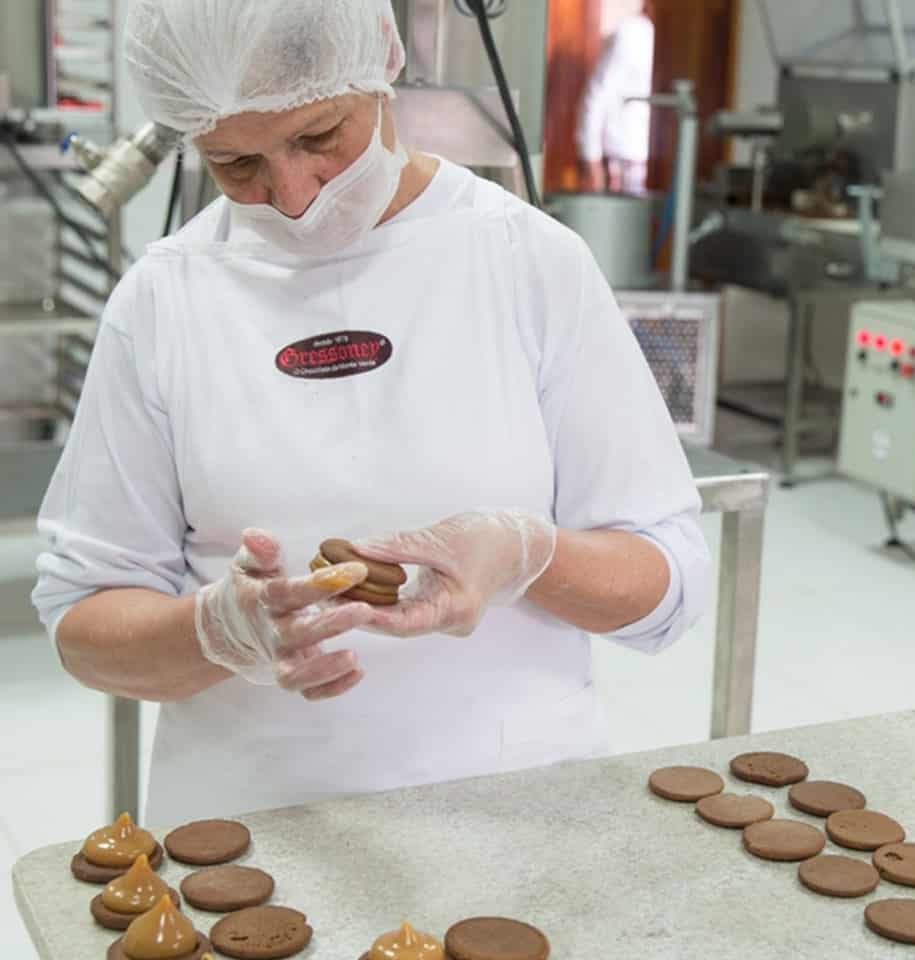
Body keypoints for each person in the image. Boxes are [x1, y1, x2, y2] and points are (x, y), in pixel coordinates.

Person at [32, 0, 709, 825]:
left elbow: (667, 586)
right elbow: (85, 622)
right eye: (235, 163)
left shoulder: (526, 261)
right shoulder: (164, 298)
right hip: (249, 841)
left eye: (319, 138)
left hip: (521, 820)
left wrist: (529, 554)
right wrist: (214, 633)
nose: (293, 195)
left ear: (382, 55)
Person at [576, 0, 655, 194]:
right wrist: (591, 157)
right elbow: (597, 95)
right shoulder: (633, 33)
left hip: (642, 158)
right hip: (621, 157)